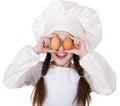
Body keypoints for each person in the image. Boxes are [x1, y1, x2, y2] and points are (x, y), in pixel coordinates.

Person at [3, 0, 116, 106]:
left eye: (67, 41)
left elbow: (108, 87)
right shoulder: (37, 71)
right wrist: (35, 51)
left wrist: (85, 54)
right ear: (47, 43)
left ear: (76, 44)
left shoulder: (85, 75)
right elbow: (9, 81)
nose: (61, 48)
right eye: (55, 41)